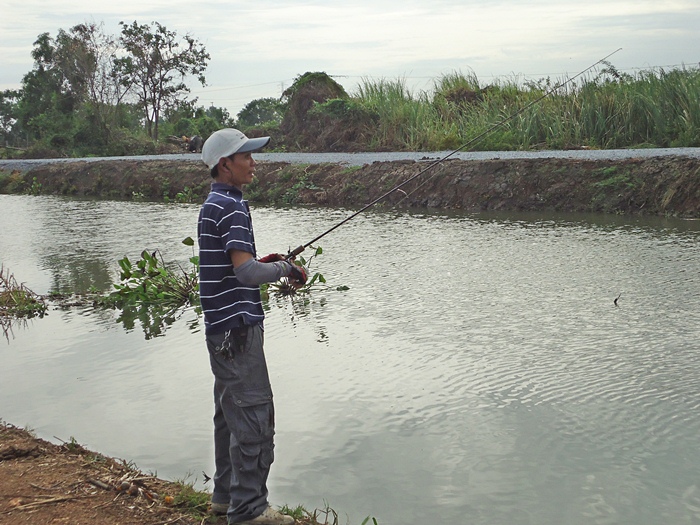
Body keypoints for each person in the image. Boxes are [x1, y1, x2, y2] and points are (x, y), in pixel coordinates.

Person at [197, 128, 306, 525]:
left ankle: (225, 500)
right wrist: (286, 269)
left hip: (220, 331)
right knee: (254, 418)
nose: (253, 162)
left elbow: (237, 265)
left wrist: (268, 261)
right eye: (246, 157)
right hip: (239, 332)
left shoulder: (214, 203)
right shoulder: (232, 207)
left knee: (229, 418)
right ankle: (249, 511)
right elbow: (245, 273)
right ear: (225, 164)